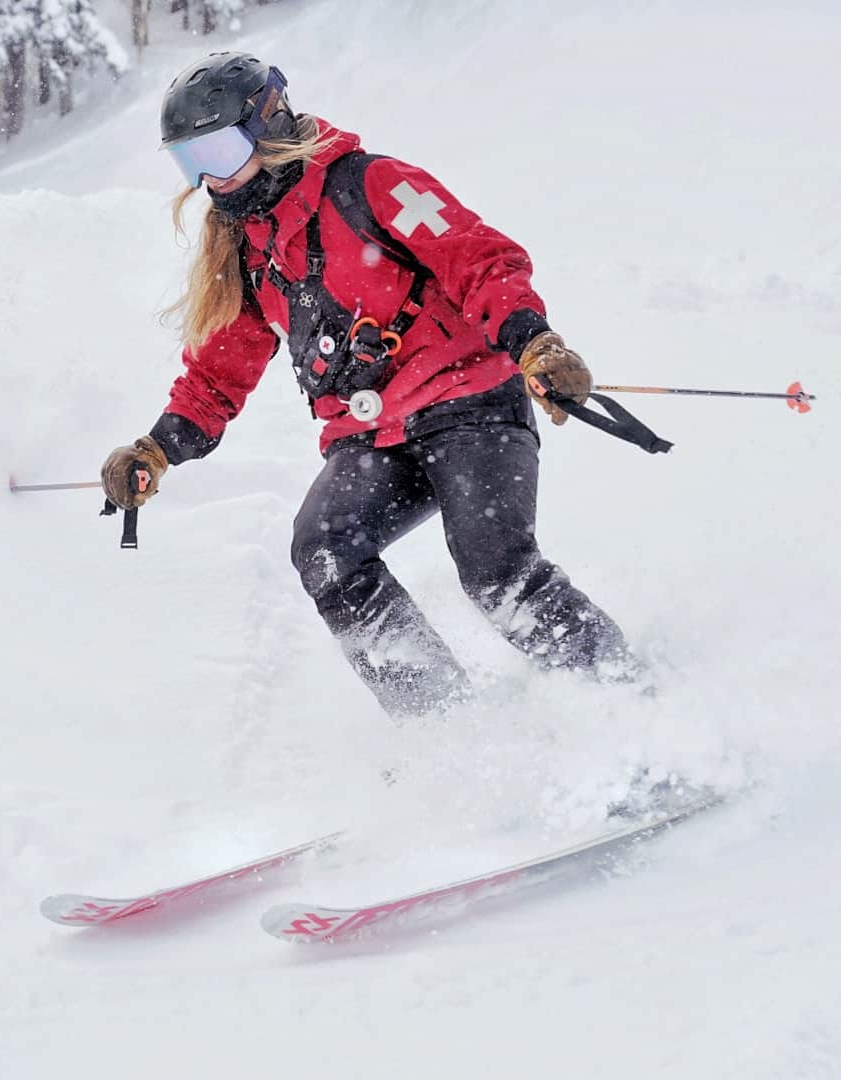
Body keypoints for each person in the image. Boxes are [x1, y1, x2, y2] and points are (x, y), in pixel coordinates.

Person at [101, 52, 630, 718]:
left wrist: (536, 343)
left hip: (470, 408)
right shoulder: (247, 249)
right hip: (372, 435)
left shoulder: (369, 186)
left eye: (219, 151)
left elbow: (476, 258)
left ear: (267, 126)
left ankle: (631, 702)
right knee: (324, 549)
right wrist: (157, 449)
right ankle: (453, 732)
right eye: (189, 162)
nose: (210, 179)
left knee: (495, 572)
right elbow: (218, 370)